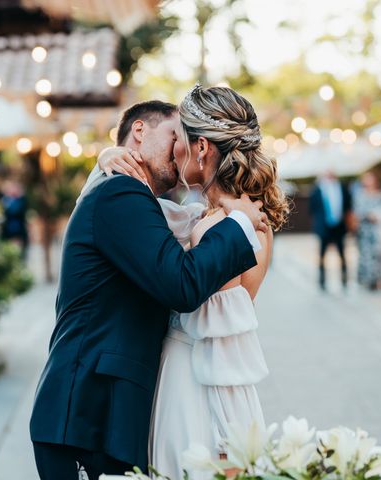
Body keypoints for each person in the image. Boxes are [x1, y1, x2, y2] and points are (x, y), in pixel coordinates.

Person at [29, 99, 267, 480]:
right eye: (174, 135)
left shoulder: (135, 199)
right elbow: (181, 284)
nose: (179, 149)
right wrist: (238, 222)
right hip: (88, 416)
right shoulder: (119, 193)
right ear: (139, 131)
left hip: (119, 415)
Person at [95, 85, 288, 479]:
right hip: (228, 383)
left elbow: (203, 317)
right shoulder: (245, 222)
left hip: (194, 380)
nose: (173, 150)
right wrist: (110, 155)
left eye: (178, 138)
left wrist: (218, 433)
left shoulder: (215, 228)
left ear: (201, 148)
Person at [353, 172, 381, 291]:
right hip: (367, 231)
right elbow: (357, 212)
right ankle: (370, 280)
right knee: (368, 256)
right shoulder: (360, 195)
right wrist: (369, 216)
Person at [309, 170, 353, 290]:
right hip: (324, 227)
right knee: (322, 254)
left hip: (339, 226)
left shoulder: (342, 188)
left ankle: (344, 278)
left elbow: (348, 205)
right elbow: (312, 208)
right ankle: (322, 279)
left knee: (342, 253)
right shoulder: (318, 190)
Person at [0, 179, 29, 259]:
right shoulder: (6, 200)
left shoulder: (20, 201)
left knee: (18, 253)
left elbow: (16, 212)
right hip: (10, 231)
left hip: (17, 230)